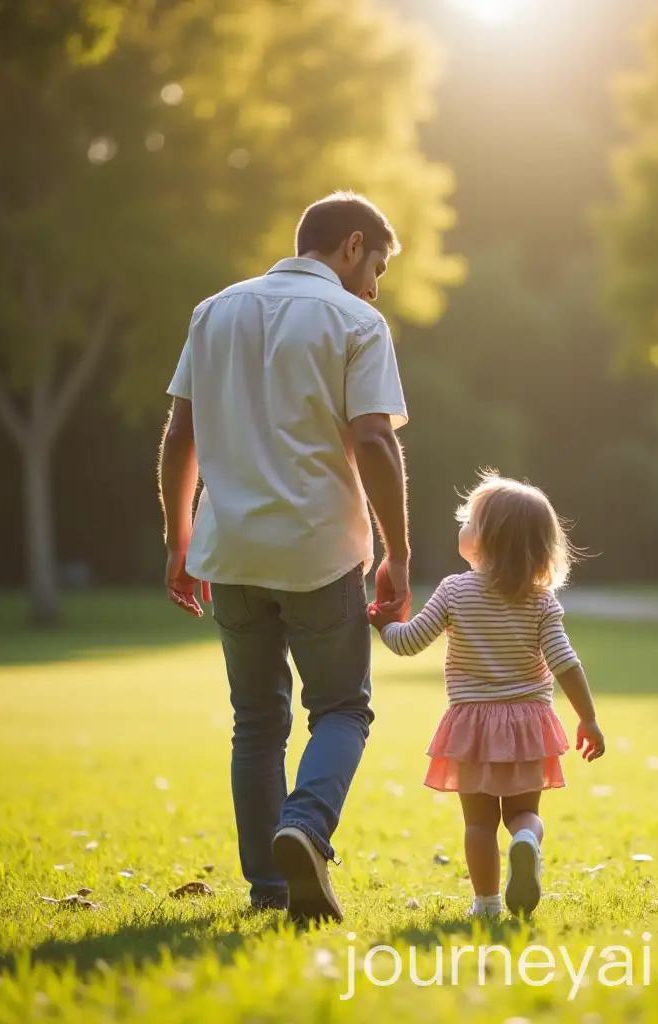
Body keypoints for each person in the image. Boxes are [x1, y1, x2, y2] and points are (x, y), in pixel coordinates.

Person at [158, 192, 411, 922]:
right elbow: (373, 438)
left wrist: (179, 539)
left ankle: (270, 890)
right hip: (319, 552)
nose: (375, 287)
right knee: (342, 709)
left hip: (230, 551)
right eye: (378, 267)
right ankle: (305, 827)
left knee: (257, 721)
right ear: (353, 244)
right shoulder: (357, 322)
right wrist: (398, 553)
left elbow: (180, 435)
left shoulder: (213, 313)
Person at [369, 472, 605, 918]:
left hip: (472, 726)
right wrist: (588, 718)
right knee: (523, 812)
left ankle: (487, 904)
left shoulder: (454, 591)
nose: (462, 525)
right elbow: (565, 663)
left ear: (484, 539)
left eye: (470, 520)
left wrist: (384, 622)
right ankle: (525, 839)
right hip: (528, 724)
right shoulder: (540, 601)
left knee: (478, 823)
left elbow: (409, 642)